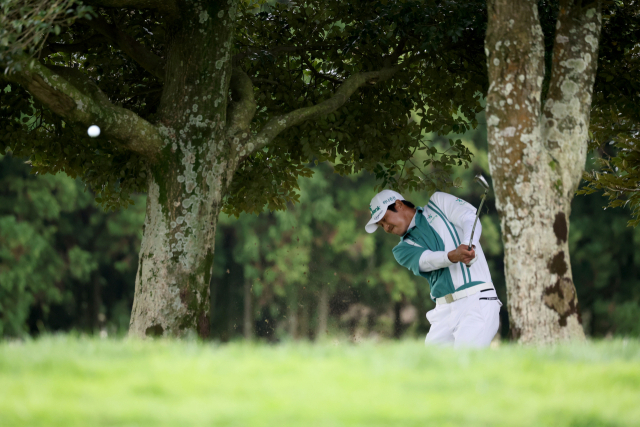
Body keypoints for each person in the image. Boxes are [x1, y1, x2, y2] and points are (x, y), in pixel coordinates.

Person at [365, 189, 501, 347]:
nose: (386, 228)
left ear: (398, 204)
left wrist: (469, 244)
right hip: (443, 311)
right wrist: (453, 255)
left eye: (385, 219)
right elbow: (427, 260)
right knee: (430, 368)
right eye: (381, 226)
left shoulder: (438, 203)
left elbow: (469, 218)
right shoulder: (401, 250)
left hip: (476, 299)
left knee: (464, 365)